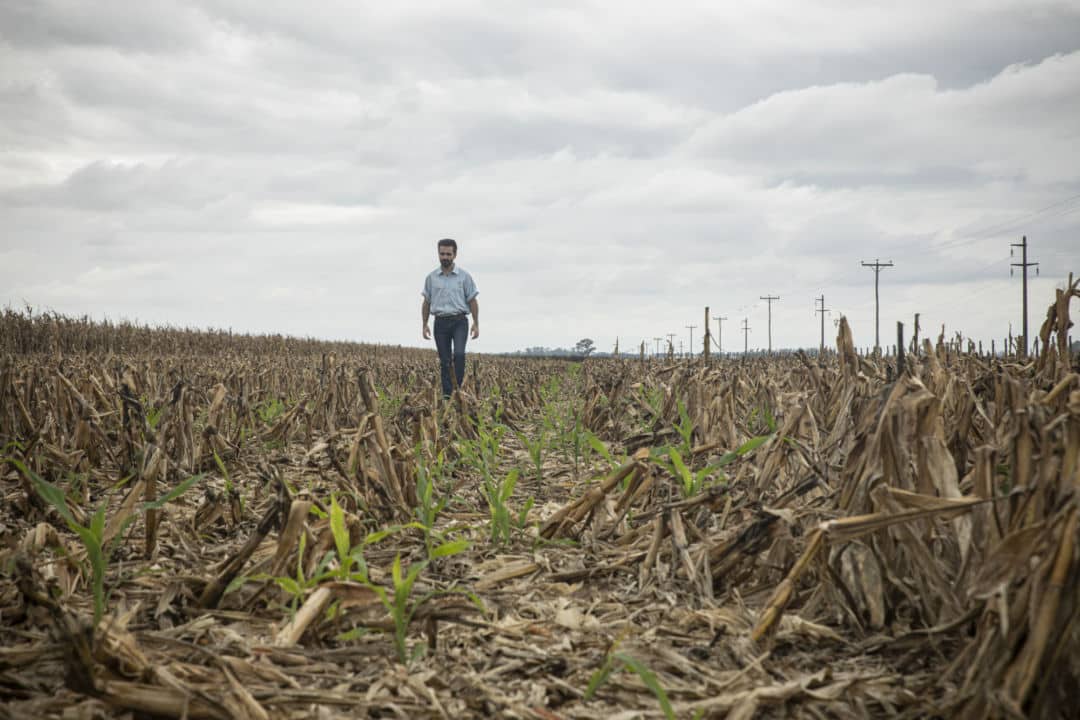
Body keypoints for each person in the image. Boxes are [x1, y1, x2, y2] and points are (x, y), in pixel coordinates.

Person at [421, 239, 479, 398]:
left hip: (460, 321)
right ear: (438, 254)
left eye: (448, 254)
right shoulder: (431, 278)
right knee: (445, 361)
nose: (445, 257)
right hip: (440, 323)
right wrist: (424, 324)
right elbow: (426, 302)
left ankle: (457, 390)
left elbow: (472, 300)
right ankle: (447, 397)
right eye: (442, 254)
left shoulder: (464, 277)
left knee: (459, 355)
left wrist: (476, 323)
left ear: (455, 255)